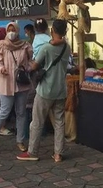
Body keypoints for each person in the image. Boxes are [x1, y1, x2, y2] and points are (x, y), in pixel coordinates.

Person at [17, 19, 71, 162]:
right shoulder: (67, 48)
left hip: (46, 90)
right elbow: (62, 45)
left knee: (37, 122)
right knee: (59, 122)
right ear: (65, 31)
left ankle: (32, 152)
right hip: (61, 89)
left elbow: (34, 66)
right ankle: (58, 153)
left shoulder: (46, 48)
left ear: (52, 30)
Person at [0, 22, 33, 154]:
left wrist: (26, 69)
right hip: (6, 84)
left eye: (13, 30)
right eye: (9, 30)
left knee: (21, 113)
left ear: (18, 31)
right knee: (4, 112)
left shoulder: (24, 45)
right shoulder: (1, 45)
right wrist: (1, 69)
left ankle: (20, 140)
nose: (11, 32)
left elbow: (29, 62)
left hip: (21, 84)